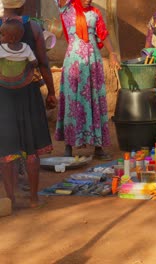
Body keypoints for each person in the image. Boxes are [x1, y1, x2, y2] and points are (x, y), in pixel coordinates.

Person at [0, 0, 58, 208]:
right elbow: (42, 61)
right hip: (29, 93)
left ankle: (10, 199)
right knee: (31, 147)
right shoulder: (32, 26)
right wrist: (51, 92)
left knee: (6, 149)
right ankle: (34, 199)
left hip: (3, 95)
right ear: (22, 5)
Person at [54, 0, 121, 160]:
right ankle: (69, 146)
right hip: (73, 61)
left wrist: (112, 54)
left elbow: (103, 34)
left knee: (94, 101)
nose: (89, 0)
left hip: (93, 60)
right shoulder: (67, 9)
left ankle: (98, 147)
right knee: (72, 101)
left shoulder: (95, 13)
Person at [0, 18, 38, 87]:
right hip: (21, 80)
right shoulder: (26, 47)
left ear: (12, 39)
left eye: (2, 35)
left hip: (3, 80)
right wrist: (28, 65)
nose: (0, 37)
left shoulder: (2, 48)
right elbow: (35, 63)